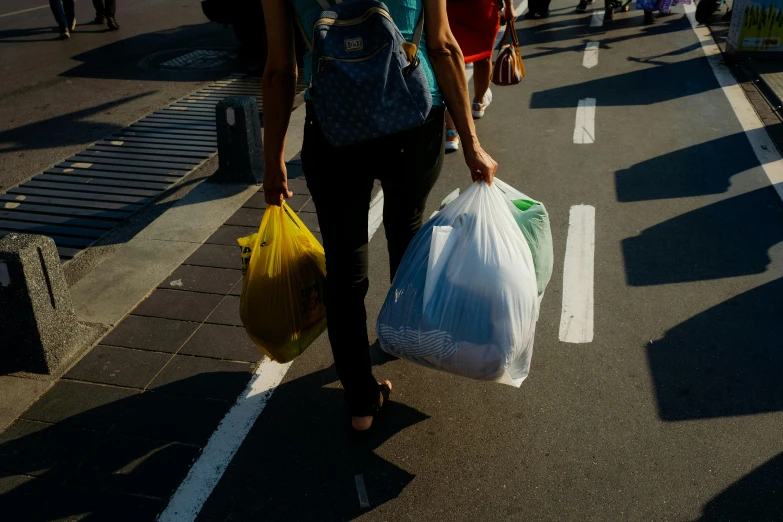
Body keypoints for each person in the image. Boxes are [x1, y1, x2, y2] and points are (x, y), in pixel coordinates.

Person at [261, 0, 498, 432]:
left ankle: (360, 401)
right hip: (412, 119)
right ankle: (402, 336)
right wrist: (470, 142)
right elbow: (443, 46)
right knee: (405, 229)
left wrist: (273, 159)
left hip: (332, 128)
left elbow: (280, 71)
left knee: (345, 266)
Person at [444, 0, 516, 151]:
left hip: (450, 8)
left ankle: (451, 132)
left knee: (452, 65)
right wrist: (509, 7)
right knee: (483, 57)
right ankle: (478, 102)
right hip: (482, 9)